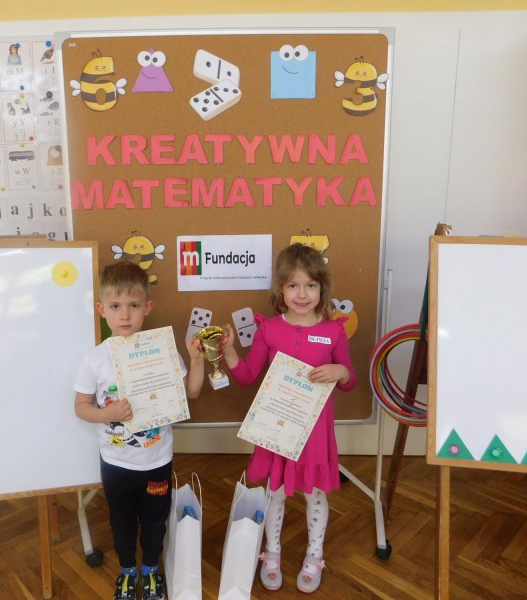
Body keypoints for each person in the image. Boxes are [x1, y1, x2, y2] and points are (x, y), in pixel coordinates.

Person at [221, 243, 355, 594]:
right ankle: (273, 551)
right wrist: (230, 352)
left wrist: (340, 370)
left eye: (310, 285)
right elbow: (248, 376)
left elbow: (350, 380)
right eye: (294, 285)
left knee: (314, 494)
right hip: (277, 429)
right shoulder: (269, 329)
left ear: (322, 288)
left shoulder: (334, 331)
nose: (302, 294)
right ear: (281, 288)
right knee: (275, 492)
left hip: (314, 434)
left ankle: (315, 554)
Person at [74, 261, 205, 600]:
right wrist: (107, 414)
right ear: (102, 309)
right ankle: (127, 571)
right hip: (116, 462)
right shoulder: (94, 359)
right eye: (115, 306)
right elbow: (81, 406)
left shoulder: (162, 351)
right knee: (121, 521)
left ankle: (150, 570)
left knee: (154, 521)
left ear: (147, 307)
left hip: (157, 460)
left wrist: (196, 360)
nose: (125, 315)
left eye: (133, 305)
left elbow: (190, 393)